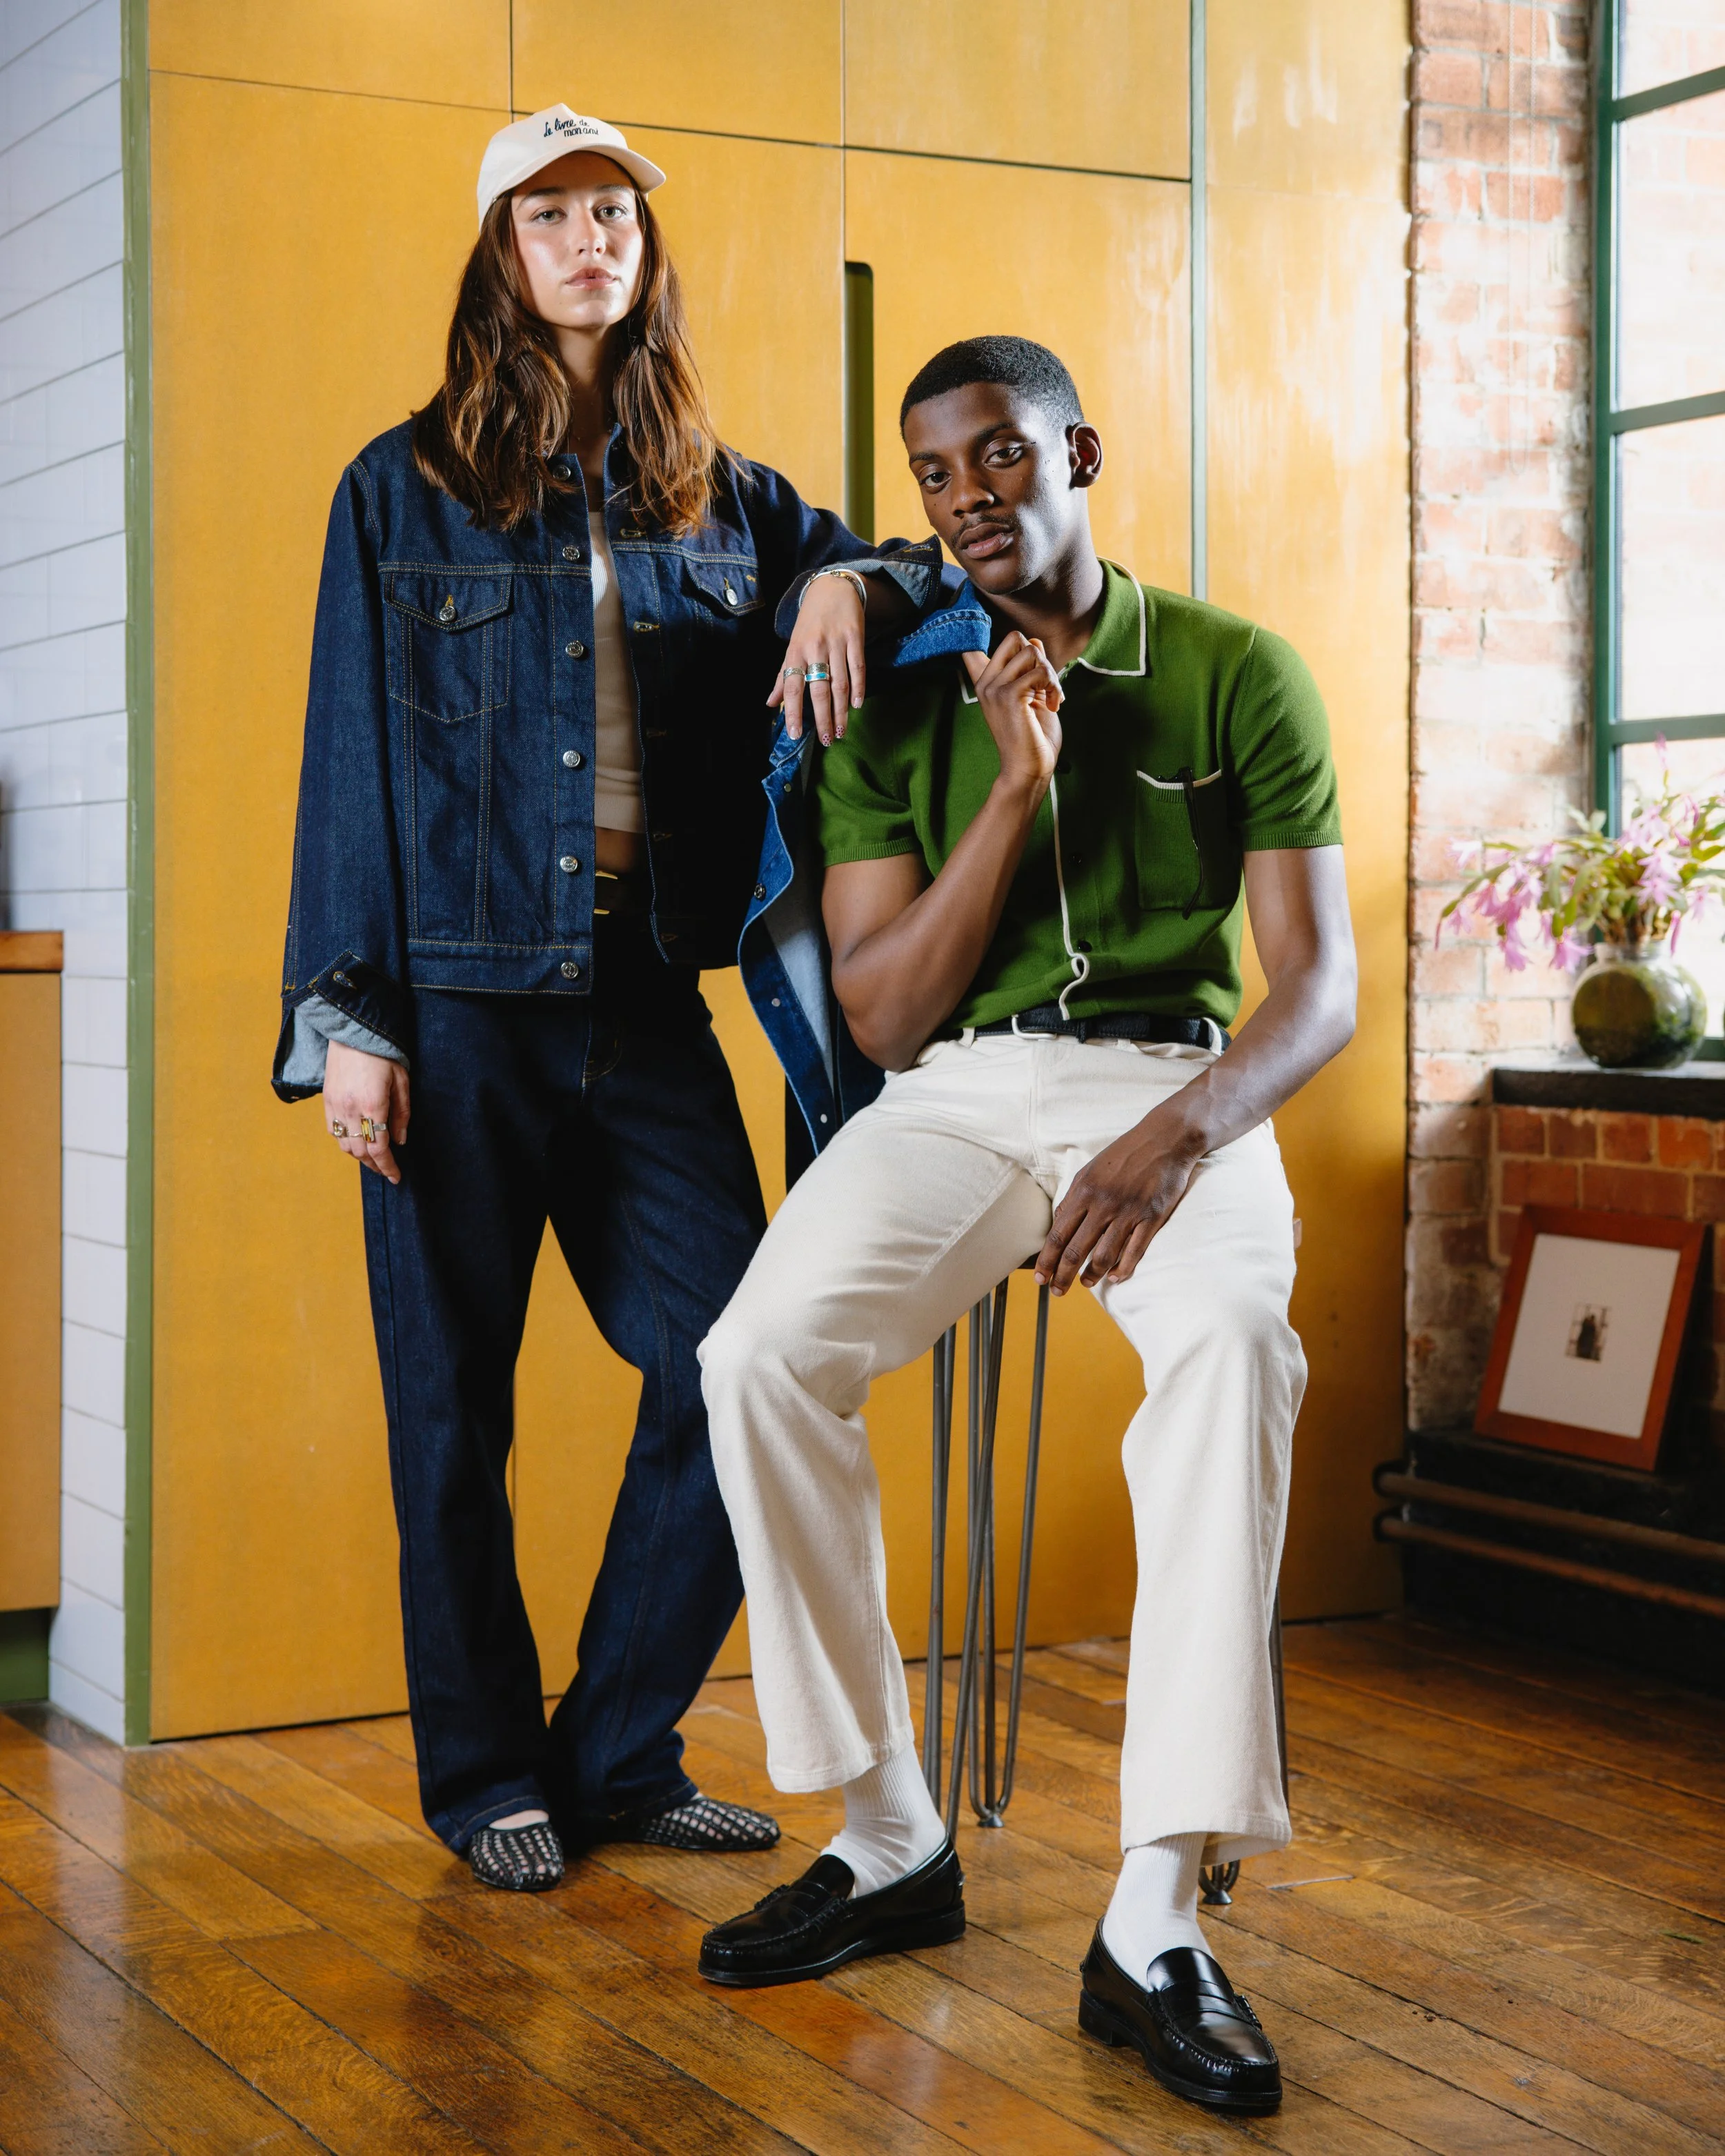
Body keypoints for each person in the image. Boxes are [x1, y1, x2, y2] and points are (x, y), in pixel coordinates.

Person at [273, 104, 954, 1892]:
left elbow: (887, 569)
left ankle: (616, 1750)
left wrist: (842, 591)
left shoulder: (716, 498)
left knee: (748, 1357)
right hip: (458, 1009)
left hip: (647, 1000)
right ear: (502, 250)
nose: (594, 240)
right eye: (556, 214)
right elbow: (346, 759)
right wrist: (348, 1018)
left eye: (617, 216)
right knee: (453, 1411)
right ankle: (487, 1769)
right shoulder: (395, 487)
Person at [696, 337, 1357, 2117]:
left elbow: (1319, 990)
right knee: (755, 1358)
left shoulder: (1234, 669)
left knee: (1231, 1349)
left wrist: (1173, 1138)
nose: (971, 496)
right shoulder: (893, 702)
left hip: (1178, 1085)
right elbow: (890, 1018)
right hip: (967, 1093)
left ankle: (1156, 1922)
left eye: (1000, 455)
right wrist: (1013, 790)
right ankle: (891, 1834)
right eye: (934, 474)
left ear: (1075, 449)